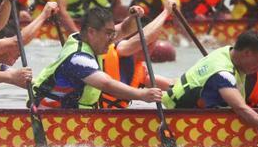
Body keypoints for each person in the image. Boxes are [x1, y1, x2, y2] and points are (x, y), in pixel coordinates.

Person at [163, 30, 258, 142]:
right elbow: (241, 109)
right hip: (179, 115)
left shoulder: (230, 52)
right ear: (247, 53)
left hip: (188, 103)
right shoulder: (223, 73)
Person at [33, 6, 163, 109]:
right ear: (91, 32)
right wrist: (141, 95)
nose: (112, 39)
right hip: (51, 117)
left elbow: (124, 29)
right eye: (108, 34)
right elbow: (106, 84)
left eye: (112, 34)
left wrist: (134, 17)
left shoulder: (86, 38)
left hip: (77, 117)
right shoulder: (78, 58)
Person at [98, 0, 176, 108]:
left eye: (153, 42)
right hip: (94, 115)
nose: (151, 47)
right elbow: (142, 39)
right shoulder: (120, 49)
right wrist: (166, 11)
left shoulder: (141, 73)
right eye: (150, 42)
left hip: (114, 117)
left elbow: (171, 84)